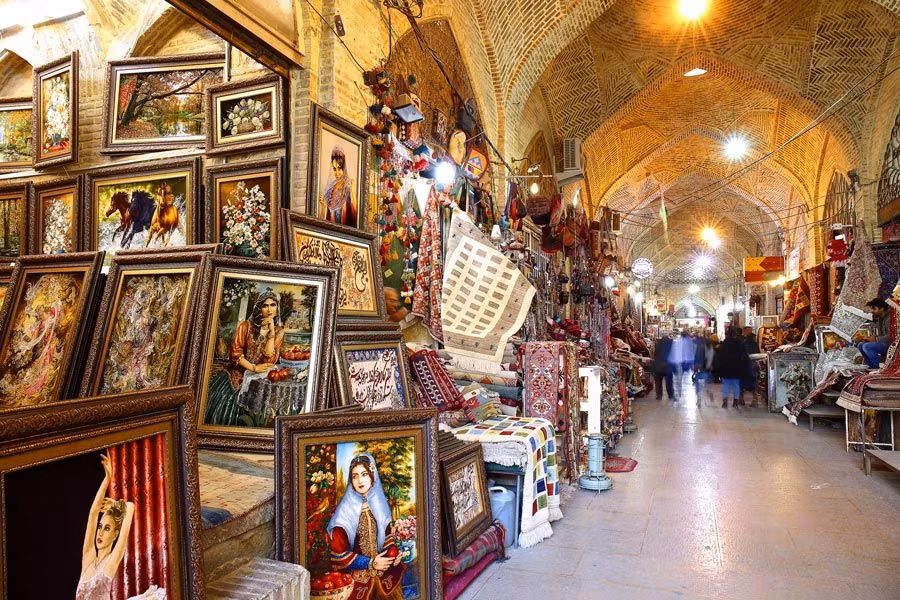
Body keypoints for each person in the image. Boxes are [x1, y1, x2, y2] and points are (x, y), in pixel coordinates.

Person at [328, 453, 404, 600]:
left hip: (384, 574)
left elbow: (388, 538)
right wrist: (370, 563)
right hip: (357, 578)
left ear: (372, 476)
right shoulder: (344, 512)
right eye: (355, 476)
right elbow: (337, 556)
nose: (360, 480)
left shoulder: (380, 505)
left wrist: (394, 554)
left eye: (364, 474)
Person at [205, 290, 285, 426]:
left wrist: (271, 332)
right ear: (259, 309)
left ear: (277, 308)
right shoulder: (245, 327)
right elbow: (235, 354)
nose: (270, 309)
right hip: (238, 375)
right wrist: (254, 367)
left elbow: (269, 360)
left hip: (260, 377)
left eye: (273, 305)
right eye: (265, 306)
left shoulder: (278, 332)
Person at [77, 453, 135, 600]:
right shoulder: (88, 559)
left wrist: (115, 504)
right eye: (100, 527)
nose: (100, 533)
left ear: (115, 535)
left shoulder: (112, 560)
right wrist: (107, 479)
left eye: (107, 528)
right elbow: (93, 514)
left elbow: (130, 507)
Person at [713, 328, 750, 408]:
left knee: (725, 384)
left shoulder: (725, 343)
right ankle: (735, 401)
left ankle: (725, 401)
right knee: (736, 384)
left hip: (726, 367)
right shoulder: (740, 343)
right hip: (737, 367)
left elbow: (720, 356)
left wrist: (719, 367)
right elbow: (744, 356)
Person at [321, 147, 357, 227]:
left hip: (345, 228)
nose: (337, 173)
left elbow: (354, 211)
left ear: (344, 168)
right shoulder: (331, 187)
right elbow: (326, 215)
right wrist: (324, 205)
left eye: (339, 168)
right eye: (334, 169)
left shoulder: (350, 184)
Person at [857, 298, 891, 369]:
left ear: (881, 308)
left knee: (867, 347)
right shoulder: (879, 318)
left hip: (891, 345)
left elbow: (891, 336)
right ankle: (871, 367)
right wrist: (869, 338)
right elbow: (881, 334)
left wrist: (876, 339)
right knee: (860, 345)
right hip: (883, 342)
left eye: (874, 309)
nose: (872, 311)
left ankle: (878, 369)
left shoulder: (889, 318)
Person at [741, 326, 761, 407]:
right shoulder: (755, 344)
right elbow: (758, 353)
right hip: (754, 364)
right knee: (754, 382)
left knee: (742, 382)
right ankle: (755, 400)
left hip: (745, 365)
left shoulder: (743, 343)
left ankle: (741, 399)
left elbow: (741, 354)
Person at [693, 333, 715, 406]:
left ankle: (699, 397)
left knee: (699, 384)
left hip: (700, 368)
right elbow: (710, 359)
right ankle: (709, 392)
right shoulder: (711, 349)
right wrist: (709, 366)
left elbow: (695, 357)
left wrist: (695, 366)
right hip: (706, 369)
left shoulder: (699, 348)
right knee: (707, 382)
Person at [653, 333, 676, 401]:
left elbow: (655, 354)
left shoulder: (658, 343)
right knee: (669, 382)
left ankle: (659, 395)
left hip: (659, 365)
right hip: (668, 366)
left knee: (658, 382)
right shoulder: (671, 343)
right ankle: (671, 395)